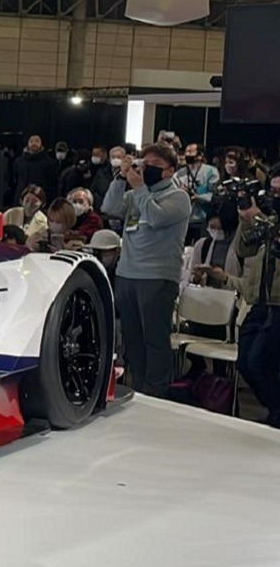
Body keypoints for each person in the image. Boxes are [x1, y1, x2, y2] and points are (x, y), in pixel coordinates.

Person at [101, 144, 191, 396]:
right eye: (144, 163)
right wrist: (121, 179)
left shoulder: (178, 197)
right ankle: (137, 387)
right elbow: (109, 207)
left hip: (157, 277)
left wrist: (139, 188)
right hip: (127, 274)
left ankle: (157, 392)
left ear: (169, 171)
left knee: (154, 338)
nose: (146, 168)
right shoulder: (135, 196)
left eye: (154, 165)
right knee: (132, 338)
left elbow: (156, 218)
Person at [231, 174, 280, 427]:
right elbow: (244, 249)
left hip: (278, 305)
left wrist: (258, 218)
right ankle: (275, 410)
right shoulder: (269, 221)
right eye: (272, 190)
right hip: (260, 302)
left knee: (259, 362)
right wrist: (247, 218)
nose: (275, 196)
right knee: (245, 363)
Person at [175, 142, 220, 244]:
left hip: (203, 218)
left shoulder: (211, 172)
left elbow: (214, 195)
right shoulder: (179, 174)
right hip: (185, 219)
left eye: (190, 151)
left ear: (200, 156)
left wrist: (198, 197)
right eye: (186, 152)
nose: (186, 154)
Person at [185, 213, 234, 284]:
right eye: (212, 227)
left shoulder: (237, 249)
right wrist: (197, 277)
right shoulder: (202, 245)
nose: (216, 232)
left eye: (220, 229)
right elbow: (192, 276)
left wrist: (223, 276)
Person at [12, 134, 59, 204]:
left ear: (41, 144)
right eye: (31, 141)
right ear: (27, 143)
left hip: (42, 201)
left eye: (37, 141)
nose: (34, 143)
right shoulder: (19, 162)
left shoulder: (50, 162)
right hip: (21, 199)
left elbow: (52, 184)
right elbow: (14, 180)